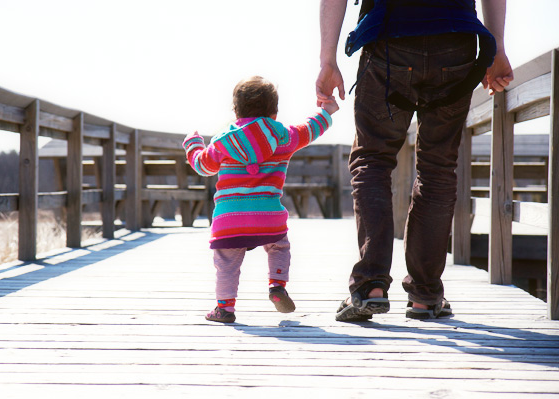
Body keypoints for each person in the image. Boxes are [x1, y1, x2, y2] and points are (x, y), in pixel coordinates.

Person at [316, 0, 514, 321]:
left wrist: (327, 59)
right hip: (456, 41)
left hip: (389, 39)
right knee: (437, 167)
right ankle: (425, 295)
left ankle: (370, 287)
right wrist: (497, 49)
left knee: (372, 160)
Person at [183, 76, 339, 323]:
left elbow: (203, 166)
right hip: (269, 217)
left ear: (236, 110)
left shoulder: (223, 141)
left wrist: (193, 146)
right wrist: (327, 110)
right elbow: (311, 129)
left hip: (229, 220)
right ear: (274, 111)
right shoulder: (285, 136)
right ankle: (277, 285)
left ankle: (224, 308)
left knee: (226, 261)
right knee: (279, 246)